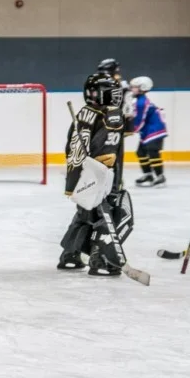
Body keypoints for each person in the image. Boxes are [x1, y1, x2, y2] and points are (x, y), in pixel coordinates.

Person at [58, 73, 129, 276]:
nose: (116, 96)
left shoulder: (84, 112)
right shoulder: (112, 113)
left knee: (84, 213)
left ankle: (70, 255)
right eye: (112, 92)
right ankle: (102, 259)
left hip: (79, 173)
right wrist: (104, 178)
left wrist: (78, 174)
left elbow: (69, 146)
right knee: (106, 214)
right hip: (100, 174)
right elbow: (106, 148)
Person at [96, 58, 135, 189]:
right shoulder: (104, 84)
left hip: (115, 127)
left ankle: (115, 183)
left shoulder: (121, 86)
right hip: (104, 126)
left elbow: (128, 108)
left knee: (115, 157)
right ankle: (111, 182)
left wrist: (126, 126)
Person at [131, 77, 168, 188]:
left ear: (142, 88)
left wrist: (131, 129)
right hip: (148, 130)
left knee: (153, 152)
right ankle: (148, 174)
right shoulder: (139, 100)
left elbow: (139, 120)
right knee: (140, 152)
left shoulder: (142, 102)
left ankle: (160, 177)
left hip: (155, 130)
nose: (132, 89)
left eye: (134, 87)